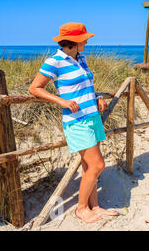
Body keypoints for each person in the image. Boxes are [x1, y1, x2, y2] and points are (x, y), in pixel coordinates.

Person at [29, 22, 118, 223]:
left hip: (92, 117)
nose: (87, 41)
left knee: (89, 167)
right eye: (84, 38)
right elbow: (35, 88)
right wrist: (62, 101)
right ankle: (81, 208)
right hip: (76, 121)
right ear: (74, 41)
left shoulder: (81, 57)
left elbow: (84, 85)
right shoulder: (55, 61)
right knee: (98, 165)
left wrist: (96, 96)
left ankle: (95, 206)